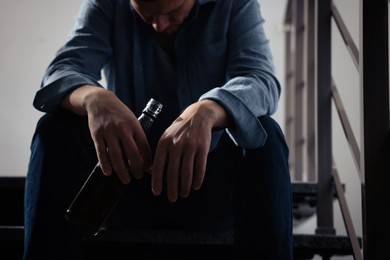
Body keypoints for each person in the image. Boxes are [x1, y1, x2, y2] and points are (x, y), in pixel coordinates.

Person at [24, 0, 292, 259]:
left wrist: (210, 108)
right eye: (146, 14)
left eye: (172, 12)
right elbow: (61, 71)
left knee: (265, 134)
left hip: (207, 190)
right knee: (55, 128)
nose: (158, 26)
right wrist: (93, 97)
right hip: (122, 188)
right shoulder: (107, 4)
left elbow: (261, 79)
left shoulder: (234, 4)